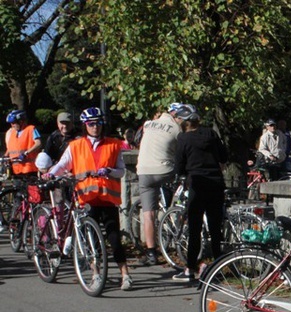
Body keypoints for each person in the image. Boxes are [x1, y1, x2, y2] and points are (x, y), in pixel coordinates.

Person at [44, 107, 133, 291]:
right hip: (86, 198)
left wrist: (109, 171)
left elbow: (122, 170)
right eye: (91, 124)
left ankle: (125, 274)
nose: (95, 127)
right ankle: (95, 274)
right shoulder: (76, 146)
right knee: (90, 239)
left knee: (114, 237)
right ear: (85, 126)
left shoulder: (113, 144)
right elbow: (62, 164)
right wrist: (50, 174)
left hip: (107, 198)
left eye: (98, 123)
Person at [172, 104, 228, 282]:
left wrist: (181, 174)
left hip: (197, 184)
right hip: (216, 183)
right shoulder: (211, 134)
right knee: (215, 227)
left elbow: (179, 165)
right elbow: (224, 156)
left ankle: (190, 268)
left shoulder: (183, 138)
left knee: (195, 228)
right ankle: (218, 265)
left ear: (185, 122)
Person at [135, 102, 183, 265]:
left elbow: (137, 139)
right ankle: (174, 213)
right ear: (176, 116)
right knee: (177, 181)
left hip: (143, 170)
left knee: (149, 214)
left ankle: (151, 253)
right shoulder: (177, 129)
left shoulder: (148, 124)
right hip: (165, 171)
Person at [4, 109, 42, 176]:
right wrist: (5, 156)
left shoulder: (31, 129)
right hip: (16, 169)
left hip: (29, 169)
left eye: (13, 123)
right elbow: (10, 148)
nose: (11, 125)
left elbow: (38, 143)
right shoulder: (12, 133)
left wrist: (26, 153)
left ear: (21, 121)